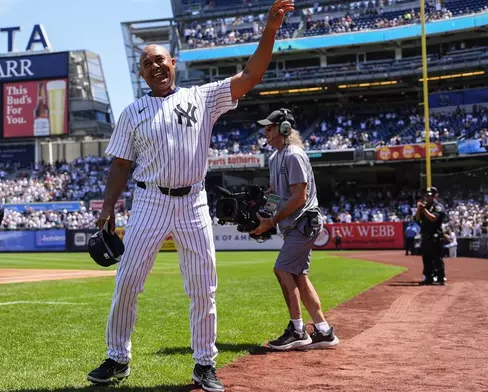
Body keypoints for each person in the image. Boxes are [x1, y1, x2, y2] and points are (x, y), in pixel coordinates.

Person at [86, 1, 294, 390]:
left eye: (160, 60)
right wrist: (108, 209)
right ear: (141, 72)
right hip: (149, 201)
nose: (155, 67)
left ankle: (204, 364)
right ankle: (117, 358)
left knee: (203, 286)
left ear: (174, 62)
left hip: (193, 200)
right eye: (147, 63)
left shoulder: (202, 97)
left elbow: (250, 75)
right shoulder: (132, 112)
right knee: (127, 282)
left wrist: (269, 30)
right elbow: (118, 166)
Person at [250, 108, 340, 352]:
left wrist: (272, 220)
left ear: (283, 128)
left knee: (281, 269)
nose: (265, 131)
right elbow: (277, 195)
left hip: (304, 221)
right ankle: (324, 331)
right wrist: (264, 215)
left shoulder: (294, 155)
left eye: (268, 127)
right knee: (299, 276)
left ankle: (298, 330)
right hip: (293, 224)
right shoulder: (274, 157)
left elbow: (299, 197)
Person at [415, 187, 446, 285]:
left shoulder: (438, 207)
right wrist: (419, 210)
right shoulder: (425, 207)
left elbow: (433, 218)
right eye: (426, 196)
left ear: (435, 196)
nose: (427, 197)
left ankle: (440, 278)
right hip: (426, 236)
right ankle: (428, 278)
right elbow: (417, 220)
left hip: (435, 236)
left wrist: (424, 210)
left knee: (437, 258)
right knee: (426, 258)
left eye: (430, 195)